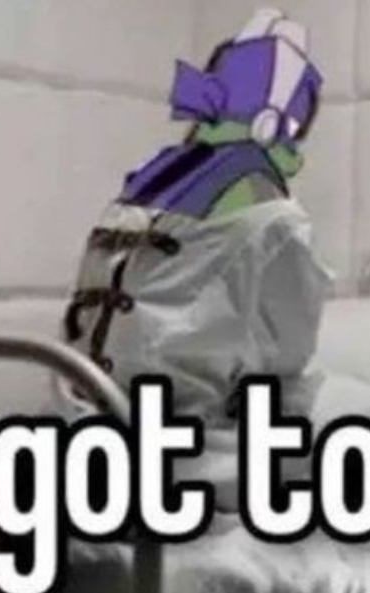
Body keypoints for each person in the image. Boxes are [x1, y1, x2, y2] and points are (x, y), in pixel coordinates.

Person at [60, 8, 331, 427]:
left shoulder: (150, 180)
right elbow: (285, 354)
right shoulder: (273, 212)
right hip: (176, 429)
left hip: (75, 404)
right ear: (270, 124)